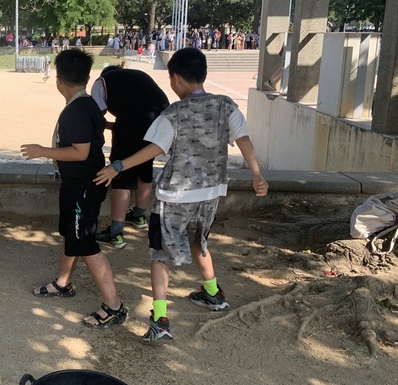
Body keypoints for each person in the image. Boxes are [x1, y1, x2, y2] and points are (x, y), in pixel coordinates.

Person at [95, 47, 268, 343]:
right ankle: (213, 294)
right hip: (211, 192)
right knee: (199, 241)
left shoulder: (173, 113)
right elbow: (244, 140)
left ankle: (160, 320)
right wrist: (256, 174)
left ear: (175, 79)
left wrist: (118, 166)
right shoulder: (226, 105)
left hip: (175, 196)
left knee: (160, 254)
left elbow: (153, 149)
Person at [21, 49, 127, 329]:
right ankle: (62, 283)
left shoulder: (77, 110)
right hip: (77, 184)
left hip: (83, 187)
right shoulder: (86, 103)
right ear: (87, 77)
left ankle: (114, 306)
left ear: (58, 80)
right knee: (72, 234)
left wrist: (42, 151)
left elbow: (81, 152)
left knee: (86, 243)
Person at [92, 65, 169, 249]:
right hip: (159, 120)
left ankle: (115, 233)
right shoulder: (135, 77)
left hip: (133, 123)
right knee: (145, 167)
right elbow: (134, 121)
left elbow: (96, 115)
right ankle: (139, 216)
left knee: (120, 176)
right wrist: (115, 126)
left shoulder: (102, 82)